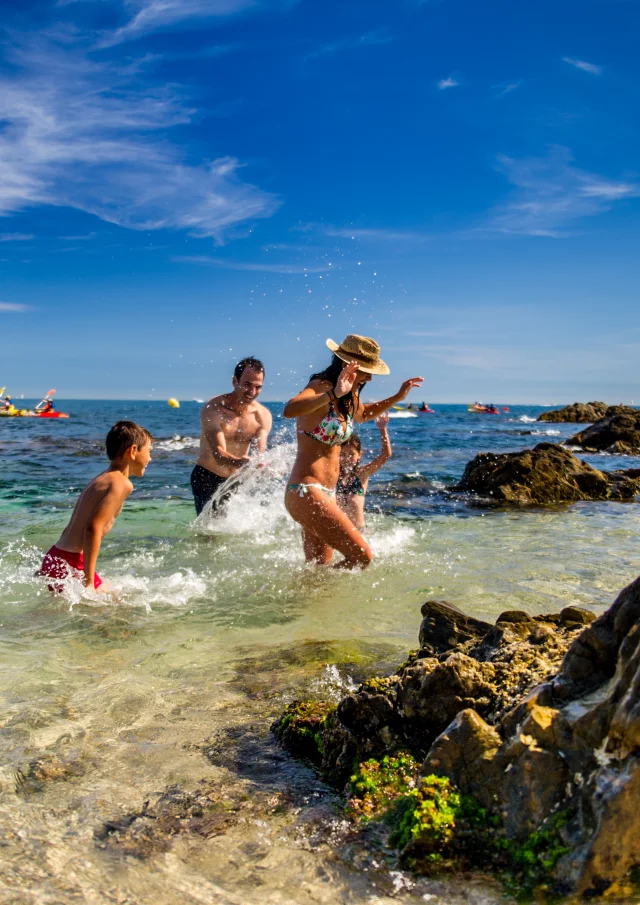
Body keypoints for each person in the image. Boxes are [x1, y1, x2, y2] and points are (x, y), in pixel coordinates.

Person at [283, 334, 422, 569]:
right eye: (366, 370)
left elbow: (364, 415)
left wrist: (398, 397)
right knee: (362, 557)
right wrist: (333, 394)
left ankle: (301, 605)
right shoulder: (323, 387)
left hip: (326, 493)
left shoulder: (349, 394)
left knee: (318, 572)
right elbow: (290, 409)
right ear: (347, 365)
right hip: (307, 491)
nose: (369, 377)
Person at [39, 420, 152, 593]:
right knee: (115, 610)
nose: (150, 458)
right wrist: (89, 581)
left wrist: (52, 562)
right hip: (70, 562)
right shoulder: (121, 483)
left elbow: (72, 527)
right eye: (149, 451)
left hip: (56, 556)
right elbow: (93, 528)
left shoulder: (103, 478)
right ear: (133, 451)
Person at [191, 357, 272, 515]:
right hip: (207, 477)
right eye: (247, 385)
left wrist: (262, 466)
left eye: (258, 387)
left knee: (234, 532)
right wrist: (242, 462)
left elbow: (258, 453)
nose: (252, 392)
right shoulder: (214, 408)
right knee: (209, 533)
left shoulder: (262, 415)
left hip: (236, 480)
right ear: (235, 381)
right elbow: (218, 453)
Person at [337, 414, 392, 531]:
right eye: (342, 455)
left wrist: (382, 429)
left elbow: (385, 455)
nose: (346, 458)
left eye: (351, 454)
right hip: (337, 531)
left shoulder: (362, 474)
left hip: (358, 532)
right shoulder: (332, 474)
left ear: (359, 455)